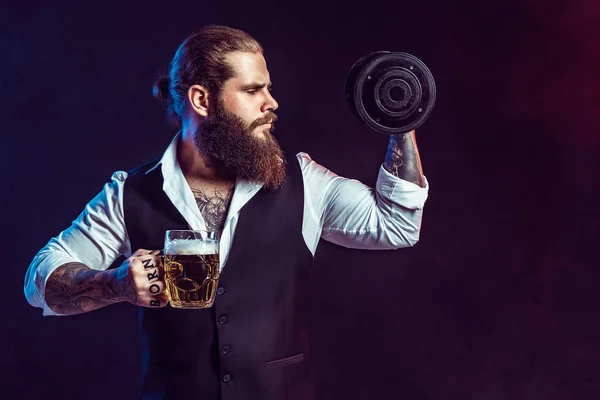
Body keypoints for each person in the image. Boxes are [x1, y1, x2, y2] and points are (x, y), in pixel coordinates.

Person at [24, 25, 429, 400]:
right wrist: (113, 284)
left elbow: (395, 225)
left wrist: (401, 119)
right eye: (253, 90)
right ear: (202, 100)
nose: (272, 103)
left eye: (268, 88)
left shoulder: (306, 181)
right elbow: (41, 281)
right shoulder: (129, 194)